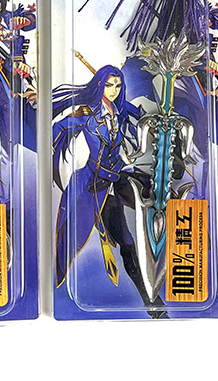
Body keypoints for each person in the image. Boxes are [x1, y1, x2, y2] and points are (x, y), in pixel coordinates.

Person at [52, 65, 163, 313]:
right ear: (100, 86)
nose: (113, 91)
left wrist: (158, 123)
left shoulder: (121, 111)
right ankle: (152, 302)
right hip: (95, 185)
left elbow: (144, 118)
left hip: (121, 175)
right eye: (109, 85)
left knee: (157, 195)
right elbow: (57, 130)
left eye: (118, 85)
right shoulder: (87, 114)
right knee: (126, 243)